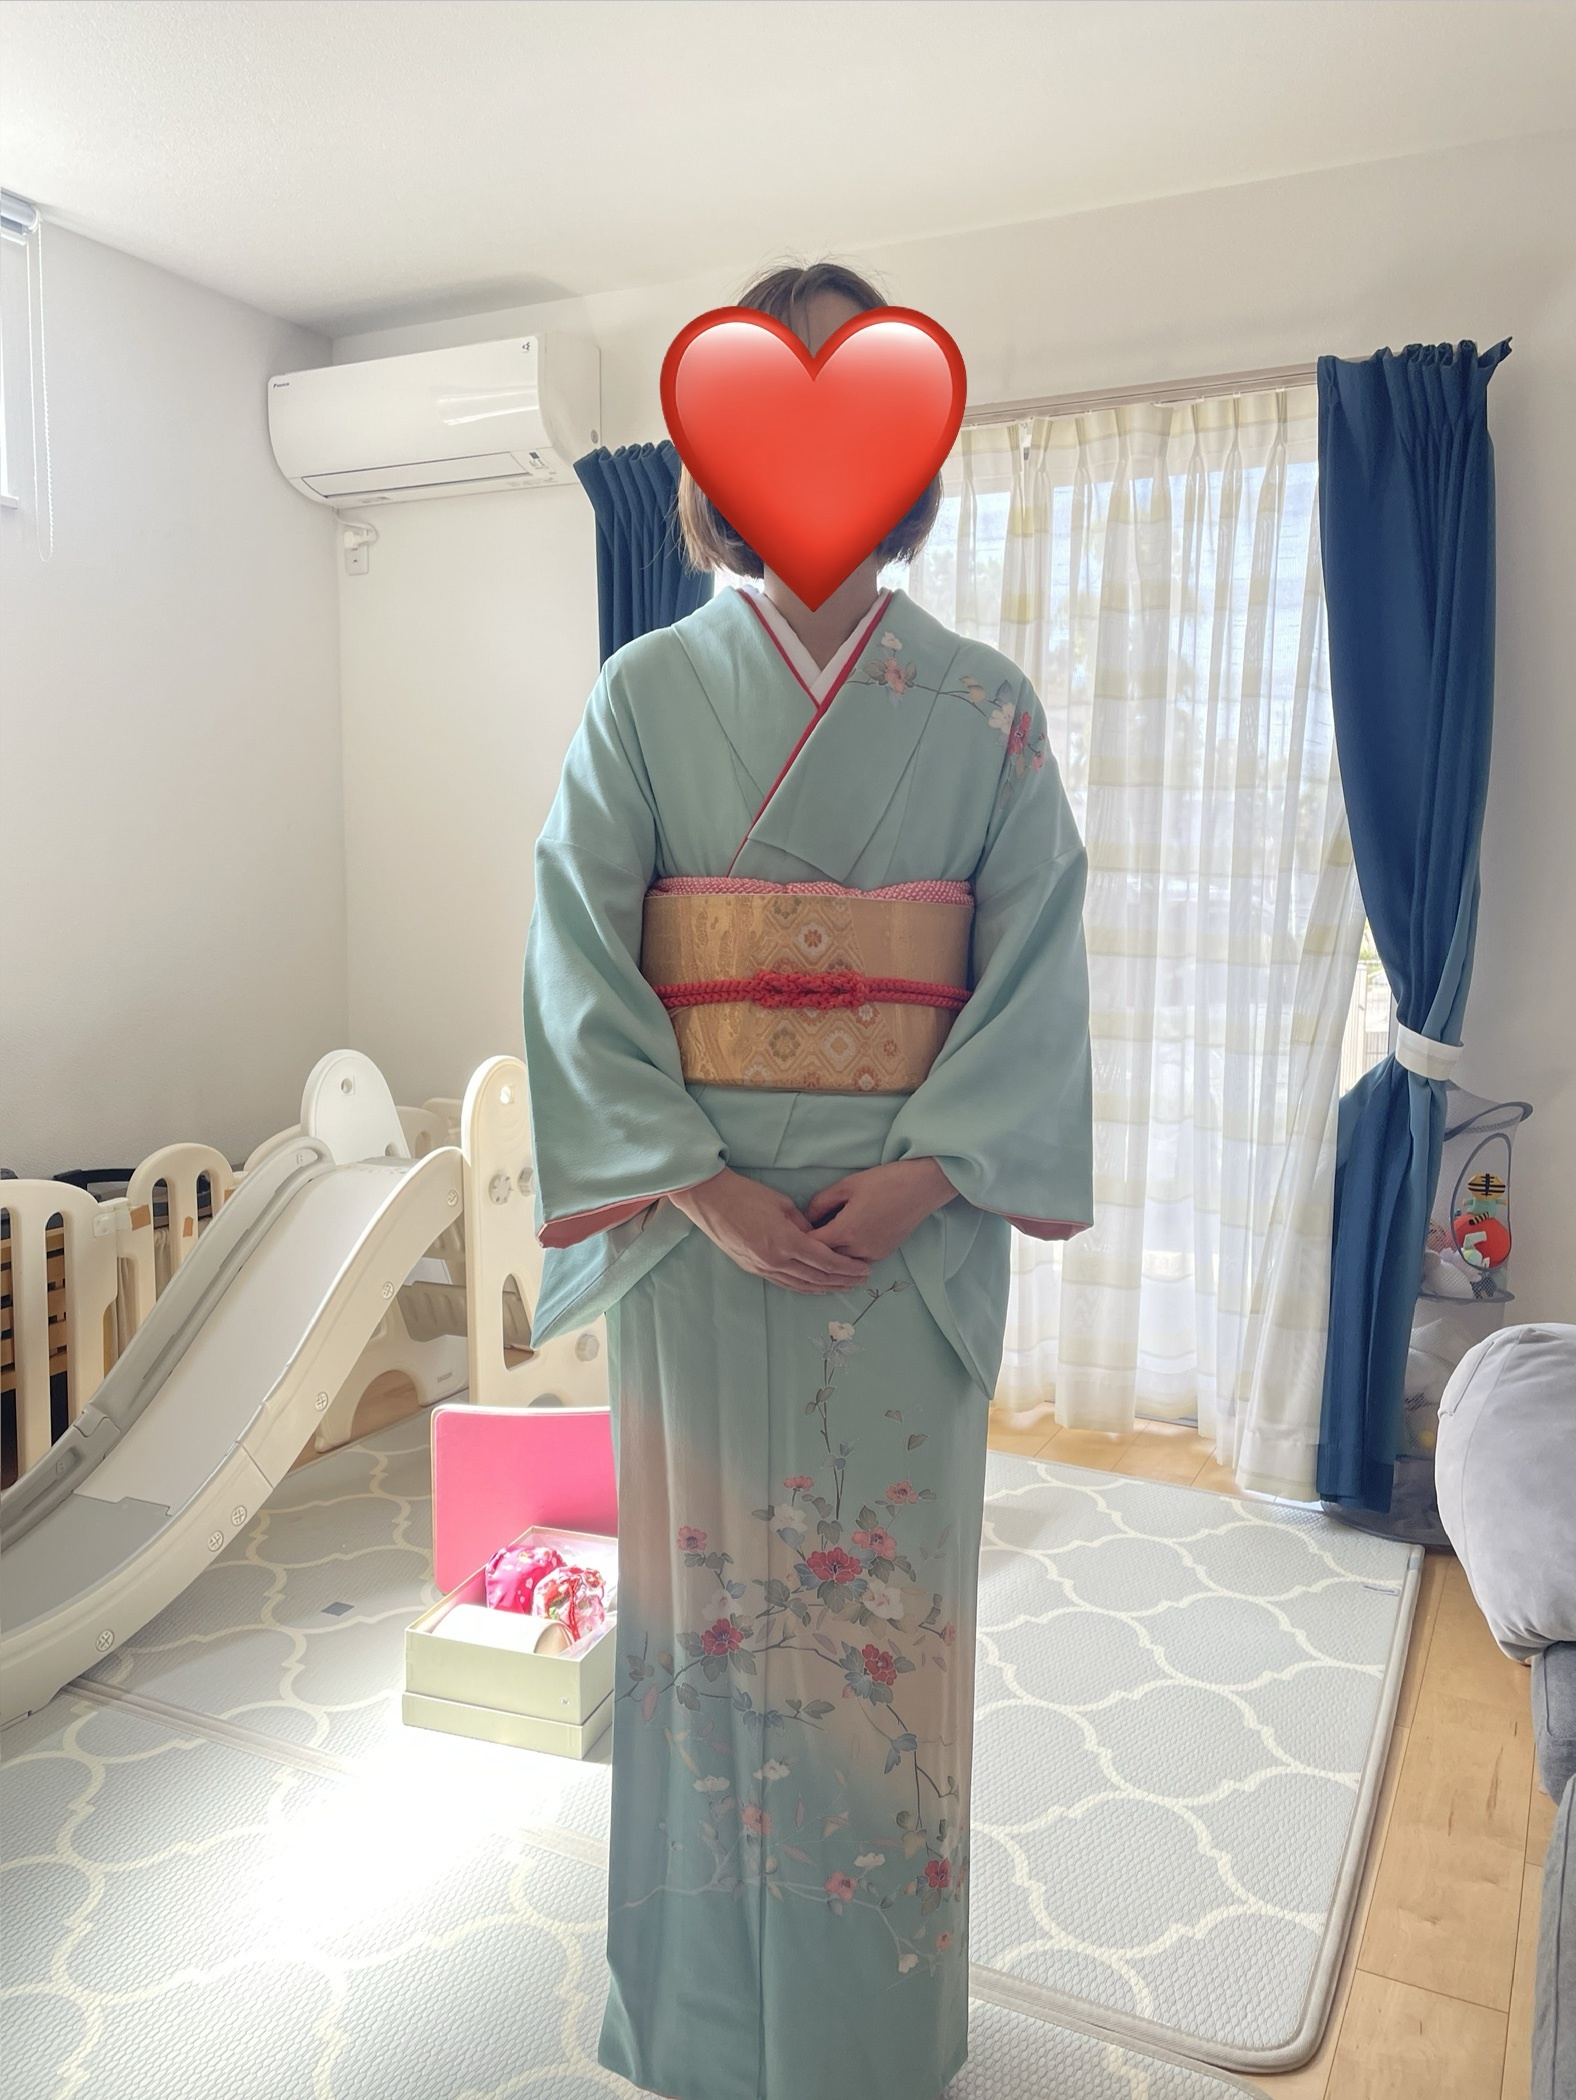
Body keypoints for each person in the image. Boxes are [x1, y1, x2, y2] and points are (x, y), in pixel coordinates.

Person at [522, 260, 1093, 2100]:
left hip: (902, 1245)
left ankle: (867, 2039)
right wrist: (701, 1187)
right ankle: (699, 2031)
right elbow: (579, 958)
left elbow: (1033, 968)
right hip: (698, 1240)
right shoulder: (642, 694)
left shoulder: (987, 711)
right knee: (699, 1637)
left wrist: (926, 1178)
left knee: (877, 1638)